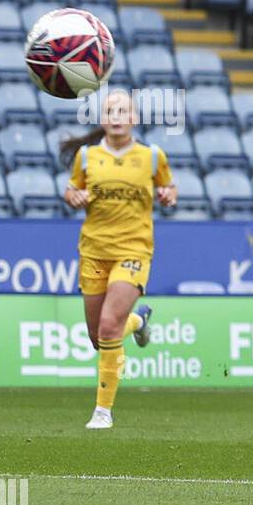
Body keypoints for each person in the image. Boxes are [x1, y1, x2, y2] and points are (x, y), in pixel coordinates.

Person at [60, 90, 177, 429]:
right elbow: (71, 190)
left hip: (133, 250)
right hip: (94, 251)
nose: (116, 115)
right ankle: (139, 322)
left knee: (110, 324)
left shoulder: (152, 157)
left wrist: (168, 196)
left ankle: (102, 411)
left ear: (133, 118)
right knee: (99, 336)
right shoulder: (87, 157)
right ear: (103, 119)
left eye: (123, 110)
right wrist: (74, 197)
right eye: (110, 109)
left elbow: (169, 188)